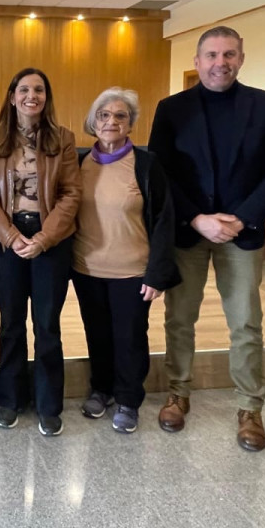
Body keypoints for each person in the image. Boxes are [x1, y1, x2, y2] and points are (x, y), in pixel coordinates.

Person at [147, 26, 265, 451]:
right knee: (179, 318)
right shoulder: (171, 109)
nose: (220, 63)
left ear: (241, 59)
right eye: (211, 55)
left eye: (229, 54)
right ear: (197, 61)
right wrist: (196, 218)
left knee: (245, 321)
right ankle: (178, 392)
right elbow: (160, 171)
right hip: (188, 230)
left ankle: (250, 406)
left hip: (241, 233)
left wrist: (241, 219)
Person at [71, 88, 180, 434]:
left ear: (131, 124)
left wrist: (157, 273)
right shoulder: (78, 163)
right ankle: (101, 390)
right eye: (104, 115)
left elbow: (164, 220)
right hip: (86, 268)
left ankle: (129, 399)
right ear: (93, 122)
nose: (111, 121)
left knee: (130, 337)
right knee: (97, 334)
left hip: (133, 270)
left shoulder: (146, 165)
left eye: (120, 116)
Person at [0, 67, 81, 437]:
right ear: (12, 97)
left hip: (50, 239)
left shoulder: (63, 138)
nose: (31, 96)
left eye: (39, 90)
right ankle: (10, 399)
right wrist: (10, 237)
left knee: (47, 324)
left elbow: (71, 193)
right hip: (8, 239)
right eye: (24, 90)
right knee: (10, 323)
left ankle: (48, 403)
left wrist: (44, 238)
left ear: (46, 97)